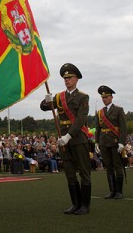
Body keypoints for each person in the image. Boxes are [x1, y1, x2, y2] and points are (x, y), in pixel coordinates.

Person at [40, 63, 91, 215]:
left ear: (76, 79)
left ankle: (84, 205)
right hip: (63, 139)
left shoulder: (83, 97)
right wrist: (46, 100)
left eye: (69, 78)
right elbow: (44, 108)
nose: (67, 80)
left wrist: (68, 136)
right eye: (65, 78)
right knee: (69, 172)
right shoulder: (59, 97)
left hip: (77, 138)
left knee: (84, 172)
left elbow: (81, 119)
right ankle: (75, 204)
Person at [95, 85, 127, 199]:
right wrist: (97, 142)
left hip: (115, 141)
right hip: (104, 142)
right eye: (103, 97)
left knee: (117, 166)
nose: (104, 99)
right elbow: (98, 128)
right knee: (108, 167)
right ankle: (112, 191)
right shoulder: (99, 113)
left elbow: (123, 128)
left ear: (111, 97)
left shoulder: (118, 110)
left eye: (106, 97)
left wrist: (122, 142)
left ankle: (119, 191)